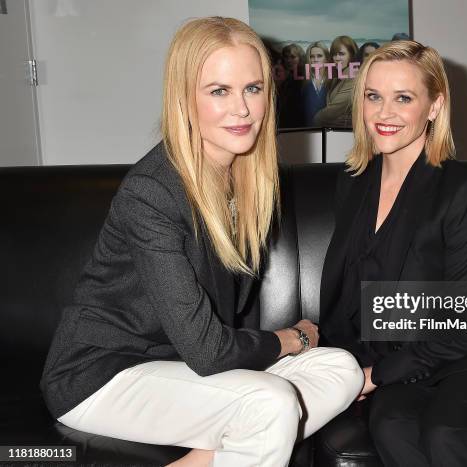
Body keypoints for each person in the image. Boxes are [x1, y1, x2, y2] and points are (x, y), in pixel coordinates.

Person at [40, 17, 363, 467]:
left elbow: (224, 321)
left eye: (253, 88)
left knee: (341, 370)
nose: (243, 110)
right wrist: (291, 340)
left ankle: (209, 456)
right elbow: (208, 350)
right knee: (269, 403)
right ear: (184, 99)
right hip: (103, 373)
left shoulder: (248, 178)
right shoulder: (151, 193)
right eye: (219, 91)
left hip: (181, 365)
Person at [319, 40, 467, 466]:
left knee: (446, 435)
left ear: (434, 107)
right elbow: (348, 291)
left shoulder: (465, 191)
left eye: (403, 98)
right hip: (401, 356)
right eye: (373, 96)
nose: (385, 113)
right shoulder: (353, 183)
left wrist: (376, 376)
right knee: (392, 428)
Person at [313, 35, 358, 128]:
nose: (336, 58)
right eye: (334, 54)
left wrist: (315, 120)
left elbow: (332, 111)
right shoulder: (338, 75)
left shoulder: (353, 76)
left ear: (352, 55)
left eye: (341, 54)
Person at [278, 43, 306, 128]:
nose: (289, 60)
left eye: (293, 57)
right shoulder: (284, 77)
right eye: (286, 57)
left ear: (300, 59)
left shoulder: (304, 78)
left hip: (299, 126)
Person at [302, 41, 330, 125]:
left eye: (319, 56)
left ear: (326, 58)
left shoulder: (334, 79)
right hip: (306, 131)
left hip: (330, 130)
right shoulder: (303, 80)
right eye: (312, 56)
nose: (315, 60)